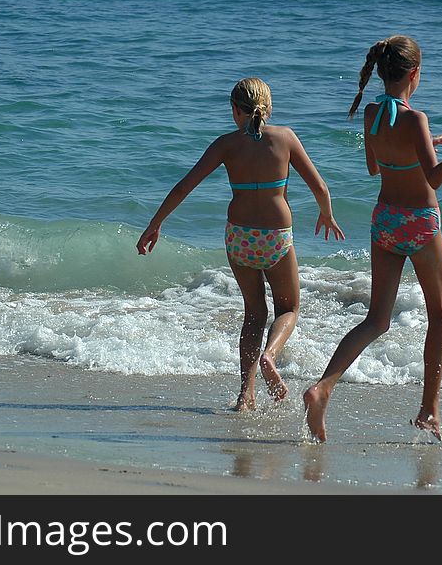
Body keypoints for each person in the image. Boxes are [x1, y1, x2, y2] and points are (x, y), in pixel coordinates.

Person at [303, 35, 442, 441]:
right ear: (415, 74)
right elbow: (434, 178)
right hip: (419, 223)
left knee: (375, 320)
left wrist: (425, 147)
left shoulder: (371, 114)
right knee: (439, 318)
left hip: (384, 220)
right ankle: (429, 412)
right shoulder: (414, 118)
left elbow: (375, 166)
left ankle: (323, 388)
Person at [136, 77, 345, 411]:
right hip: (276, 237)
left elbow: (184, 186)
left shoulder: (225, 144)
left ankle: (245, 396)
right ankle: (270, 355)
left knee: (253, 313)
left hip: (240, 238)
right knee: (288, 308)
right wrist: (327, 215)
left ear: (234, 109)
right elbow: (319, 186)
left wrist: (155, 223)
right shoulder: (286, 137)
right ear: (268, 106)